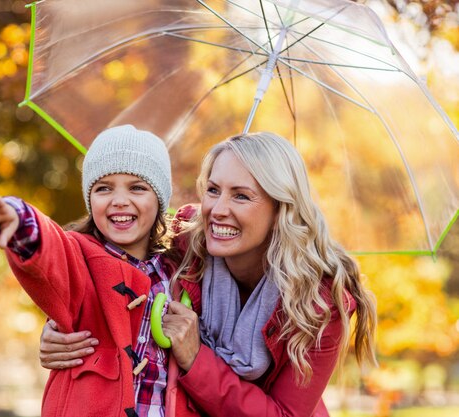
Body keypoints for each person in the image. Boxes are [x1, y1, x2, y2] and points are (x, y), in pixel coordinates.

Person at [38, 132, 377, 417]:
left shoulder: (319, 301)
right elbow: (118, 274)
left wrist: (196, 358)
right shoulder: (186, 242)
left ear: (279, 209)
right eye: (214, 190)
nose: (217, 210)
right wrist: (65, 326)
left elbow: (284, 414)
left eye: (241, 196)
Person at [0, 125, 203, 417]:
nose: (119, 200)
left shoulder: (179, 271)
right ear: (89, 199)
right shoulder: (81, 259)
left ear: (159, 200)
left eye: (137, 187)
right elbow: (51, 252)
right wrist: (17, 217)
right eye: (103, 188)